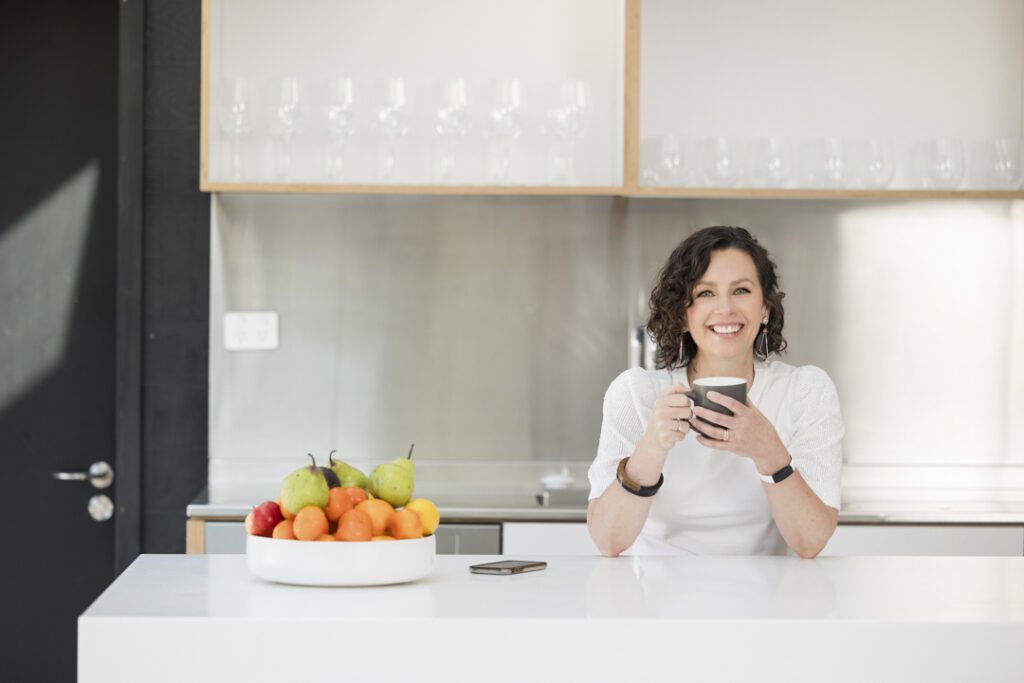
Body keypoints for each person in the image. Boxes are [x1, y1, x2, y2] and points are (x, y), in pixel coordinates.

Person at [587, 226, 843, 558]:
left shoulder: (806, 391)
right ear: (682, 313)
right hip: (656, 603)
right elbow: (609, 541)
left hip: (771, 603)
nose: (725, 309)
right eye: (706, 293)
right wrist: (651, 448)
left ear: (765, 308)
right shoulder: (637, 393)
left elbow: (811, 542)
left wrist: (770, 454)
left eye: (741, 290)